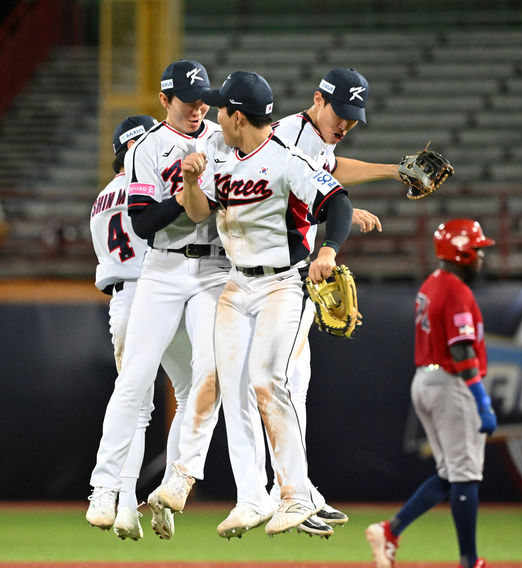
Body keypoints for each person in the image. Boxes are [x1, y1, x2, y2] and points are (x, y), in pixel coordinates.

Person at [178, 70, 354, 537]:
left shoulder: (285, 158)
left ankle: (296, 496)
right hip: (236, 288)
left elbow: (339, 203)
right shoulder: (225, 160)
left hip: (282, 283)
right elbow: (198, 211)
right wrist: (193, 183)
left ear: (237, 116)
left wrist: (329, 251)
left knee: (267, 380)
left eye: (221, 110)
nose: (216, 116)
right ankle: (252, 497)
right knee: (234, 387)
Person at [86, 59, 242, 542]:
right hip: (162, 268)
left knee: (209, 372)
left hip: (214, 267)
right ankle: (105, 486)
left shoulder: (221, 137)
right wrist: (184, 189)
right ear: (164, 100)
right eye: (188, 100)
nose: (198, 107)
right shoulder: (146, 148)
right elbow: (143, 224)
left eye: (203, 100)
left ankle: (179, 476)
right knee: (133, 380)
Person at [271, 67, 407, 537]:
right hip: (274, 270)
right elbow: (274, 192)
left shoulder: (317, 136)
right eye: (341, 112)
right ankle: (285, 494)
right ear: (317, 99)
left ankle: (298, 490)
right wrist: (329, 218)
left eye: (353, 117)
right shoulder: (289, 135)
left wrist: (391, 171)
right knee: (280, 382)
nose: (346, 123)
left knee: (296, 382)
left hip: (291, 268)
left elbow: (331, 171)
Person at [365, 219, 516, 568]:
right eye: (477, 248)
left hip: (426, 379)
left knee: (450, 474)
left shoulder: (432, 282)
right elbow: (461, 348)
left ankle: (391, 530)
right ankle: (470, 566)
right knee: (465, 475)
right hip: (451, 382)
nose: (481, 255)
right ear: (461, 251)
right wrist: (481, 398)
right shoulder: (457, 290)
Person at [89, 114, 158, 540]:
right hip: (157, 293)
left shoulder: (101, 197)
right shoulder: (148, 183)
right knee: (198, 389)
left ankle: (122, 501)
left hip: (121, 301)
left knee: (134, 408)